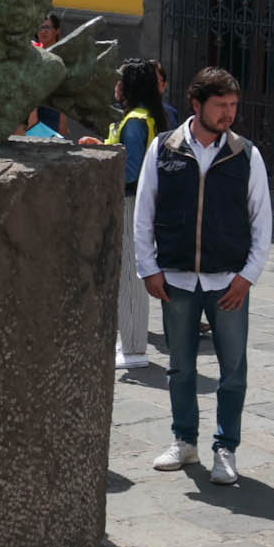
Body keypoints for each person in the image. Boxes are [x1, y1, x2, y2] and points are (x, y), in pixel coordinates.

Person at [131, 65, 271, 485]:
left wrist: (247, 276)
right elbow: (144, 213)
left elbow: (262, 222)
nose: (229, 114)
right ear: (197, 104)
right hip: (175, 278)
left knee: (233, 371)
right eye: (220, 105)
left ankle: (225, 448)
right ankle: (184, 440)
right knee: (180, 368)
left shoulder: (247, 154)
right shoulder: (164, 149)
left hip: (228, 280)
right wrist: (148, 268)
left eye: (233, 105)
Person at [106, 59, 171, 371]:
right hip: (142, 200)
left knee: (131, 275)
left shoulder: (135, 120)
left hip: (130, 200)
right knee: (134, 270)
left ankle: (132, 348)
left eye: (120, 81)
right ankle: (131, 343)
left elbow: (129, 168)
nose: (116, 87)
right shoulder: (149, 117)